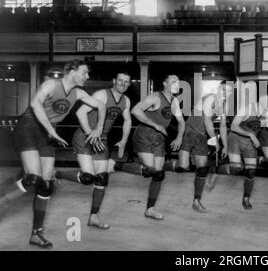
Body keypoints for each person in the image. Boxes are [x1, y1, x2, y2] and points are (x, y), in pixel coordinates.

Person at [0, 60, 105, 249]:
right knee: (33, 178)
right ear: (71, 71)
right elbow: (35, 104)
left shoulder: (79, 93)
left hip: (47, 133)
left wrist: (98, 127)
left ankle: (36, 234)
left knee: (46, 186)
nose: (87, 76)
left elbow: (101, 105)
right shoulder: (51, 84)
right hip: (29, 128)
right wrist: (52, 131)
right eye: (84, 72)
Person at [55, 71, 132, 229]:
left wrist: (123, 141)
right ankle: (57, 174)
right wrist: (91, 133)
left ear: (129, 84)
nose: (123, 84)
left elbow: (128, 120)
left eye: (126, 82)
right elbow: (80, 112)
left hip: (101, 140)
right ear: (114, 80)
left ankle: (94, 217)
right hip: (84, 136)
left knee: (102, 179)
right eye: (120, 81)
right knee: (88, 177)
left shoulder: (126, 101)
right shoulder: (102, 95)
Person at [115, 75, 185, 220]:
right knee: (148, 171)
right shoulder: (155, 97)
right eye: (173, 81)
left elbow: (181, 121)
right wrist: (155, 125)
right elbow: (135, 110)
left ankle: (150, 209)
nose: (176, 84)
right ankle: (116, 166)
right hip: (144, 133)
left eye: (177, 82)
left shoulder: (175, 102)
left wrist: (179, 137)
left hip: (159, 138)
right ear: (165, 83)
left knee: (159, 175)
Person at [175, 81, 232, 213]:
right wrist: (215, 141)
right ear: (218, 88)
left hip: (202, 136)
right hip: (190, 132)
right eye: (224, 90)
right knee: (182, 167)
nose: (225, 93)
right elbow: (207, 120)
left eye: (228, 91)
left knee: (202, 168)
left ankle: (196, 201)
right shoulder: (211, 98)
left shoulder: (224, 105)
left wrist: (225, 146)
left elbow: (223, 127)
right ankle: (164, 165)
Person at [227, 95, 268, 210]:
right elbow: (233, 126)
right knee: (236, 169)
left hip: (250, 143)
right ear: (261, 102)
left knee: (251, 172)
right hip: (235, 139)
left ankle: (246, 198)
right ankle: (225, 166)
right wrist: (250, 134)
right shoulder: (247, 108)